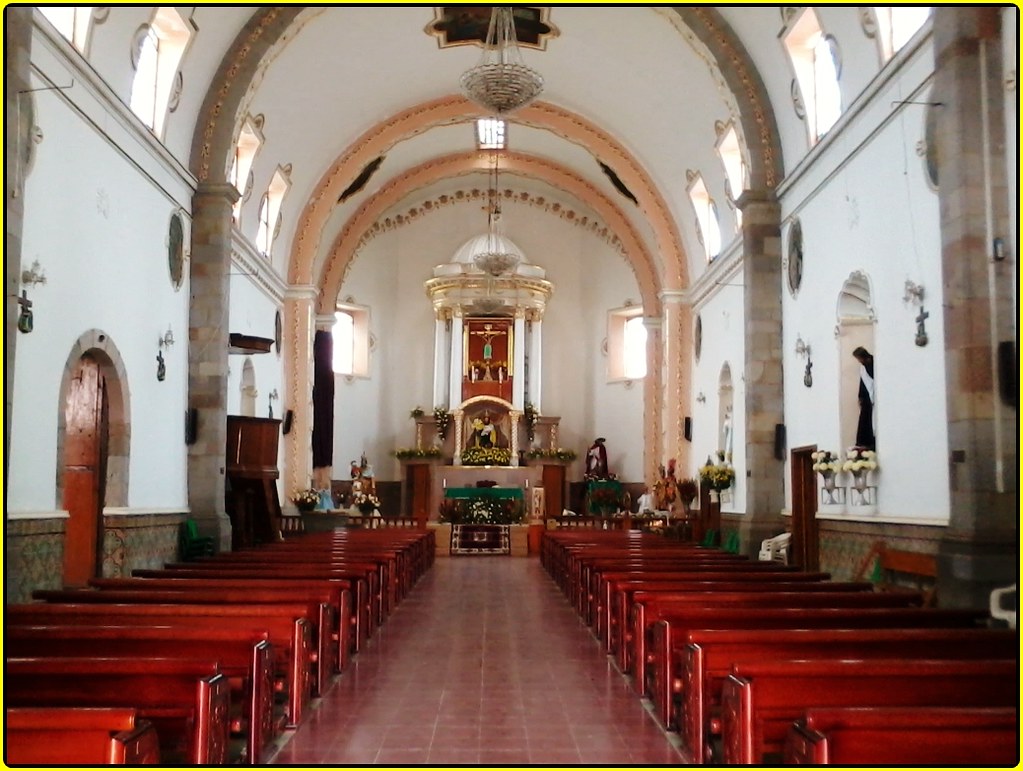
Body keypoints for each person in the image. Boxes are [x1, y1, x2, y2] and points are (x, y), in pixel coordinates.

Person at [853, 346, 876, 450]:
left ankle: (871, 442)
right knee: (864, 420)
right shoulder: (863, 367)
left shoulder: (875, 362)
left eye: (859, 358)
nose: (859, 361)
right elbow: (862, 383)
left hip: (875, 395)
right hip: (866, 397)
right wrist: (860, 396)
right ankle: (863, 443)